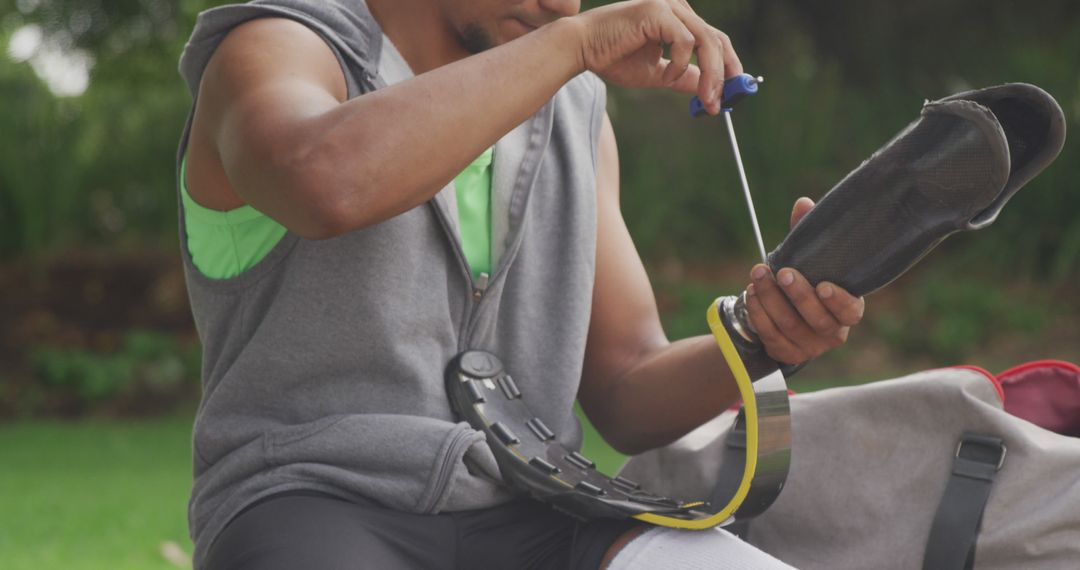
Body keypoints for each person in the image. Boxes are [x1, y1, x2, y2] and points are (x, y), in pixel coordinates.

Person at [176, 0, 866, 567]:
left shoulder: (575, 111)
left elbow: (626, 383)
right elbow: (322, 181)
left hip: (540, 510)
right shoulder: (274, 45)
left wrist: (759, 335)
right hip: (312, 507)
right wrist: (574, 44)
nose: (560, 6)